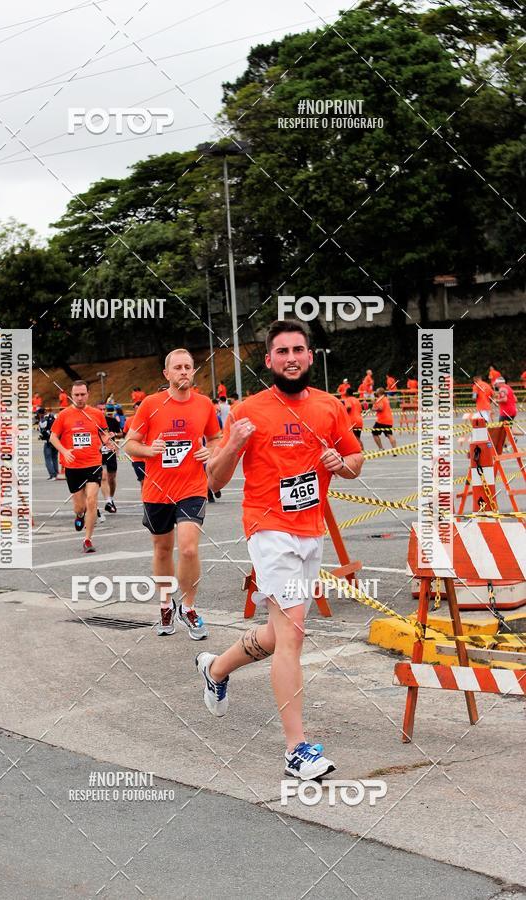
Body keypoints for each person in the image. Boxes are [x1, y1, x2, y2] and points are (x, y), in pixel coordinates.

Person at [197, 319, 363, 780]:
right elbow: (214, 480)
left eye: (298, 349)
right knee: (292, 634)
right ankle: (296, 750)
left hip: (311, 531)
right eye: (281, 352)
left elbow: (355, 458)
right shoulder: (248, 410)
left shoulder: (330, 407)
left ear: (310, 356)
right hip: (269, 529)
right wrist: (233, 444)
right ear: (268, 361)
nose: (291, 358)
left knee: (278, 633)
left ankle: (216, 667)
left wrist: (342, 464)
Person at [125, 348, 221, 639]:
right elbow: (130, 443)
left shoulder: (204, 404)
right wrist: (147, 450)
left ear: (193, 371)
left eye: (188, 367)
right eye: (177, 367)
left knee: (189, 548)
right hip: (156, 489)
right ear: (166, 374)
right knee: (163, 549)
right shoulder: (150, 404)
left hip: (192, 487)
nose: (183, 371)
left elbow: (216, 437)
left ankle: (188, 608)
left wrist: (211, 450)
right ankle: (166, 603)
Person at [50, 381, 117, 553]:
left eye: (82, 394)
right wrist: (64, 451)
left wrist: (109, 443)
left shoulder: (96, 414)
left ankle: (88, 539)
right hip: (73, 466)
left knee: (92, 500)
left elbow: (103, 434)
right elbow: (53, 438)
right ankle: (80, 515)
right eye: (76, 395)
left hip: (93, 463)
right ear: (71, 395)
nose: (79, 398)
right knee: (80, 507)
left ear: (88, 394)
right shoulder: (64, 415)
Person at [101, 410, 122, 513]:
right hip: (98, 452)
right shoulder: (92, 421)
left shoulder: (112, 421)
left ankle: (111, 498)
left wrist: (115, 434)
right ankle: (108, 501)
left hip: (110, 452)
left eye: (103, 409)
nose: (101, 411)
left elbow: (120, 433)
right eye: (99, 409)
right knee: (103, 476)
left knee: (111, 478)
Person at [372, 388, 397, 453]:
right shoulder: (385, 398)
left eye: (377, 391)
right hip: (388, 419)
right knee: (389, 434)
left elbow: (380, 408)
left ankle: (381, 448)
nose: (376, 392)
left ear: (379, 392)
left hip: (381, 420)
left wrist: (374, 408)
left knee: (374, 433)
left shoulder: (380, 399)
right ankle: (395, 450)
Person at [38, 408, 59, 480]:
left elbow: (43, 431)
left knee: (48, 459)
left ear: (41, 413)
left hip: (48, 442)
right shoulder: (54, 417)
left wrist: (41, 436)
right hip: (56, 440)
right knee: (54, 458)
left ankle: (52, 475)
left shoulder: (43, 420)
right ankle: (56, 474)